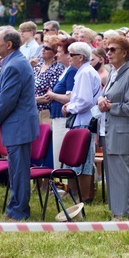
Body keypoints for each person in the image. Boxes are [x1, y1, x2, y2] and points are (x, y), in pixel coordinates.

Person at [0, 28, 39, 221]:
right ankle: (17, 208)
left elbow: (7, 100)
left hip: (19, 126)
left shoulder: (14, 66)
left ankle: (18, 211)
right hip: (18, 125)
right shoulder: (14, 62)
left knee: (18, 171)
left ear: (8, 45)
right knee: (17, 169)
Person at [98, 35, 129, 220]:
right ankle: (116, 211)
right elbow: (105, 95)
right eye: (107, 49)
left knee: (121, 174)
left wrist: (110, 107)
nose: (108, 53)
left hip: (122, 131)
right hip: (110, 129)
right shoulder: (114, 71)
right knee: (112, 174)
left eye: (113, 49)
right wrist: (101, 100)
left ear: (125, 52)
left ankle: (122, 213)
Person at [62, 42, 101, 202]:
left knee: (83, 160)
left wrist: (69, 107)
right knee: (76, 160)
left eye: (71, 55)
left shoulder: (85, 72)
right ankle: (75, 192)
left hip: (84, 122)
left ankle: (85, 196)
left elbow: (84, 101)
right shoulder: (83, 72)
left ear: (81, 57)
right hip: (80, 121)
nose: (69, 58)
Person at [46, 37, 77, 168]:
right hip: (57, 117)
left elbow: (70, 98)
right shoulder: (65, 70)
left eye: (59, 51)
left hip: (63, 118)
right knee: (56, 155)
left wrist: (52, 95)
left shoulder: (71, 71)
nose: (57, 54)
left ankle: (63, 185)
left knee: (60, 156)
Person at [33, 35, 65, 124]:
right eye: (43, 46)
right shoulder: (38, 65)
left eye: (47, 48)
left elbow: (49, 96)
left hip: (46, 113)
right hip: (32, 110)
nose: (43, 49)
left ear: (55, 53)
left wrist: (31, 100)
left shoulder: (57, 69)